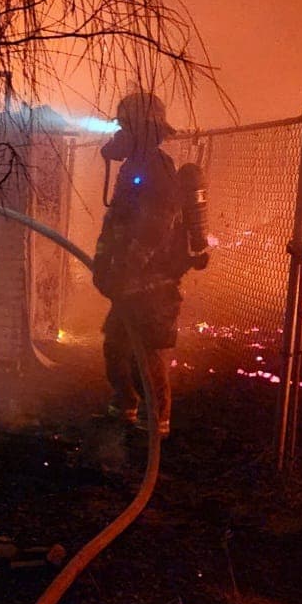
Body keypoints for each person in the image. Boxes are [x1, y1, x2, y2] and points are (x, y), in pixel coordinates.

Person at [91, 91, 206, 438]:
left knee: (149, 351)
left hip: (154, 284)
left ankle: (157, 424)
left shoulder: (155, 170)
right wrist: (102, 261)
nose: (119, 133)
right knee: (116, 345)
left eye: (125, 126)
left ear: (142, 131)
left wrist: (127, 270)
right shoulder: (133, 167)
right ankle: (125, 406)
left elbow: (155, 226)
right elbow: (116, 221)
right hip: (130, 280)